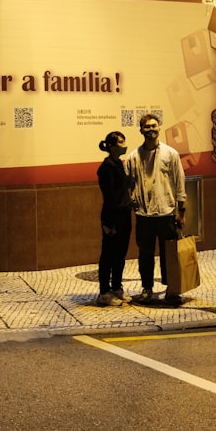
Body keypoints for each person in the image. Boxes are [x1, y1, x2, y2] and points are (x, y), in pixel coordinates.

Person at [126, 113, 187, 306]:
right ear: (141, 130)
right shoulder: (133, 157)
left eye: (154, 126)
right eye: (147, 127)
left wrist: (181, 211)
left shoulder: (171, 154)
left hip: (167, 212)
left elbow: (179, 182)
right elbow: (128, 184)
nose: (151, 130)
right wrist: (132, 199)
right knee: (145, 254)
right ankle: (147, 288)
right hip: (144, 215)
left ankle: (172, 289)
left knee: (169, 254)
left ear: (159, 127)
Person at [95, 131, 133, 307]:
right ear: (111, 146)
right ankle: (104, 292)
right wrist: (108, 224)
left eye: (123, 141)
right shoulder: (107, 167)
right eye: (120, 142)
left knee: (120, 254)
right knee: (108, 254)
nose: (123, 144)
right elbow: (110, 196)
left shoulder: (119, 164)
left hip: (125, 214)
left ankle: (117, 287)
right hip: (113, 216)